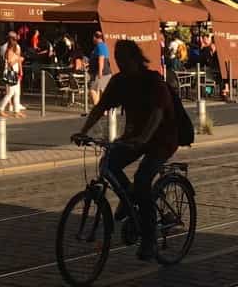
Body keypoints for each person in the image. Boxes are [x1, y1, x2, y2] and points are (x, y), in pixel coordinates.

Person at [71, 39, 178, 262]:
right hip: (135, 138)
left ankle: (149, 239)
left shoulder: (152, 81)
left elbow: (158, 113)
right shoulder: (120, 82)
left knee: (142, 179)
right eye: (117, 59)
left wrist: (143, 138)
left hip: (162, 138)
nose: (120, 64)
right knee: (108, 164)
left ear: (134, 59)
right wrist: (83, 131)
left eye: (123, 59)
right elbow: (100, 108)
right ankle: (130, 200)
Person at [0, 36, 25, 118]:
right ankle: (1, 108)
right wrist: (18, 59)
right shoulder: (9, 51)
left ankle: (16, 111)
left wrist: (20, 69)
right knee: (10, 92)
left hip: (15, 72)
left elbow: (17, 60)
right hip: (10, 73)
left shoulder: (15, 50)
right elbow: (10, 63)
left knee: (17, 92)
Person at [88, 30, 112, 106]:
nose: (92, 39)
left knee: (92, 90)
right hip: (103, 72)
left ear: (95, 38)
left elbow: (101, 59)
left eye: (93, 37)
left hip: (100, 73)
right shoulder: (103, 46)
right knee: (99, 90)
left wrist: (100, 72)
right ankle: (101, 110)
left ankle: (97, 109)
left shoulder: (100, 46)